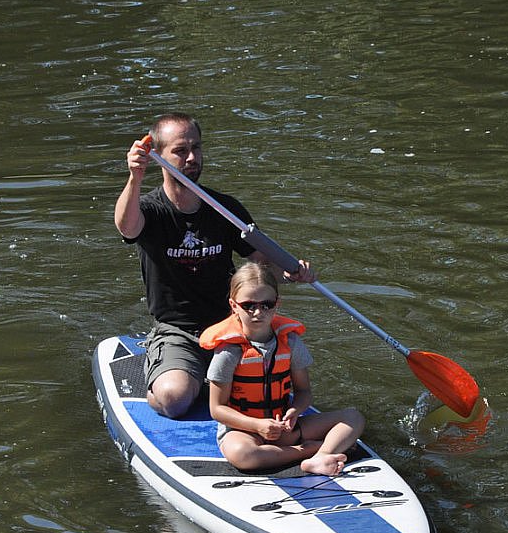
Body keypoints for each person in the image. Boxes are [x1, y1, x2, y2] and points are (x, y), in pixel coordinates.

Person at [114, 113, 316, 418]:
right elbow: (127, 228)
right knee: (174, 399)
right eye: (180, 151)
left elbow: (262, 267)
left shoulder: (225, 209)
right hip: (177, 330)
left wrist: (290, 274)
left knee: (268, 391)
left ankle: (210, 380)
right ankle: (165, 372)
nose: (192, 157)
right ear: (159, 156)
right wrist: (135, 177)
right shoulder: (148, 209)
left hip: (233, 325)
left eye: (197, 148)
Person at [200, 263, 364, 476]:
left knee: (353, 418)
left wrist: (294, 412)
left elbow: (304, 392)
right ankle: (315, 450)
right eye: (249, 305)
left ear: (277, 304)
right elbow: (217, 409)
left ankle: (318, 458)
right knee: (244, 455)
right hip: (243, 431)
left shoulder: (291, 342)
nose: (258, 312)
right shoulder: (229, 351)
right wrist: (257, 425)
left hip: (285, 430)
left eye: (266, 304)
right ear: (234, 306)